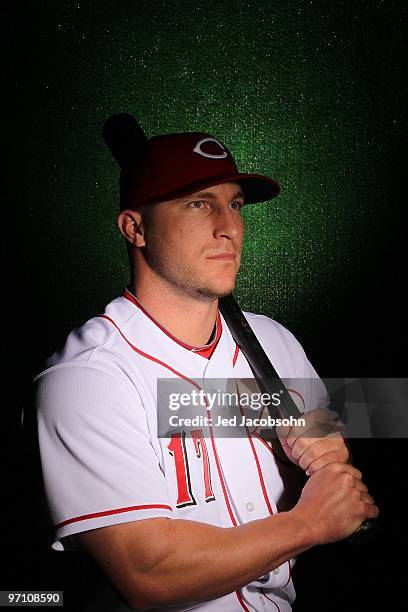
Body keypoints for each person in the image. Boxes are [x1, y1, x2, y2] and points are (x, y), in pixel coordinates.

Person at [33, 115, 378, 611]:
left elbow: (328, 458)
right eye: (198, 204)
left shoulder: (275, 342)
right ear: (136, 228)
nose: (228, 228)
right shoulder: (87, 378)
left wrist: (328, 459)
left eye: (234, 204)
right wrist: (309, 524)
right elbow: (148, 575)